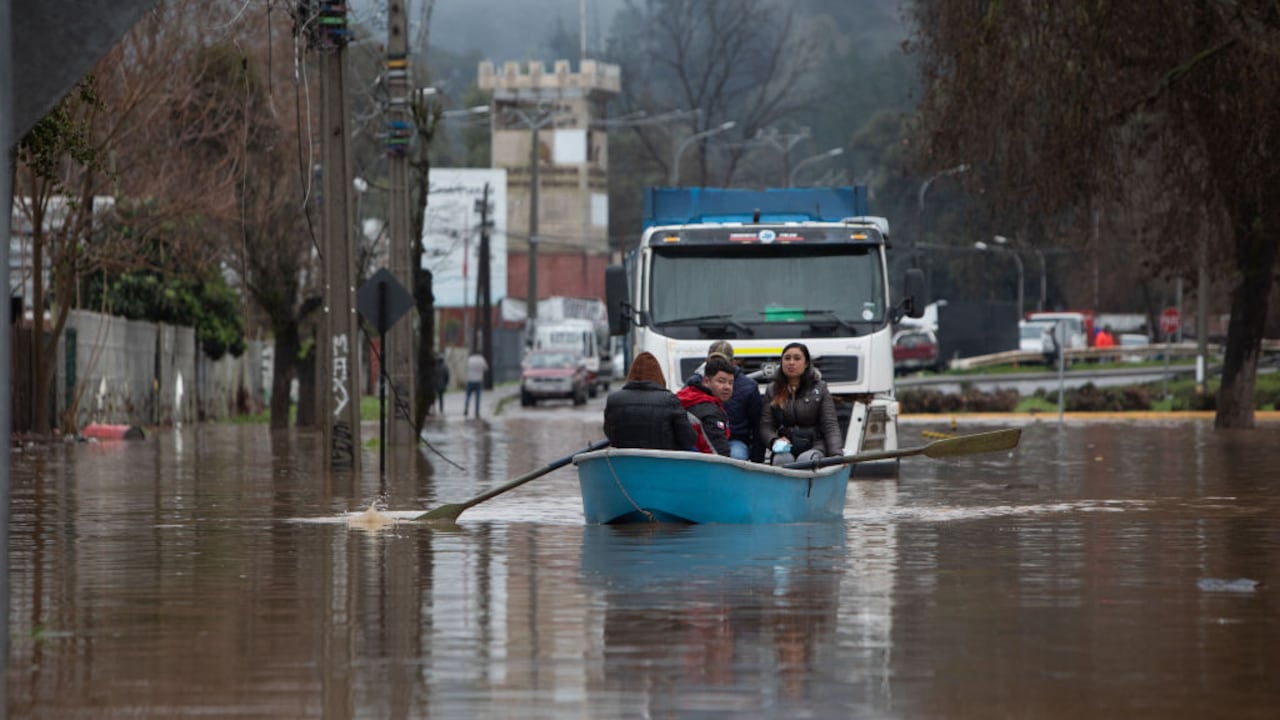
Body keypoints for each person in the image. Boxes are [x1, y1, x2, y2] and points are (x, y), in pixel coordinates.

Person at [759, 342, 843, 466]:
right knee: (782, 461)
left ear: (806, 363)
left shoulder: (820, 388)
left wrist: (836, 454)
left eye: (797, 358)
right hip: (786, 447)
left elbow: (830, 425)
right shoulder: (773, 389)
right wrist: (774, 441)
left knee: (805, 461)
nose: (791, 363)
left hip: (815, 446)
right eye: (787, 358)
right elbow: (766, 425)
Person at [603, 352, 699, 451]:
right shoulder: (670, 400)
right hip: (664, 463)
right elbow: (688, 439)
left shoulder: (614, 400)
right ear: (659, 375)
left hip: (625, 464)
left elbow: (610, 434)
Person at [686, 340, 762, 460]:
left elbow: (757, 425)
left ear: (733, 363)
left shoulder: (749, 387)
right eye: (713, 361)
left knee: (735, 457)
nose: (718, 366)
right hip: (700, 438)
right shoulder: (693, 383)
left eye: (723, 362)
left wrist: (757, 461)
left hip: (734, 440)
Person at [676, 355, 736, 456]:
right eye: (721, 381)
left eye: (731, 383)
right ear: (706, 381)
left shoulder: (688, 396)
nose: (727, 387)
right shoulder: (710, 413)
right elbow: (720, 455)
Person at [464, 350, 488, 418]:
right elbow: (486, 368)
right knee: (477, 397)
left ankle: (466, 409)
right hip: (478, 381)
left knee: (468, 396)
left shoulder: (470, 359)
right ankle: (476, 411)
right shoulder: (481, 359)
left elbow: (466, 368)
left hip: (470, 380)